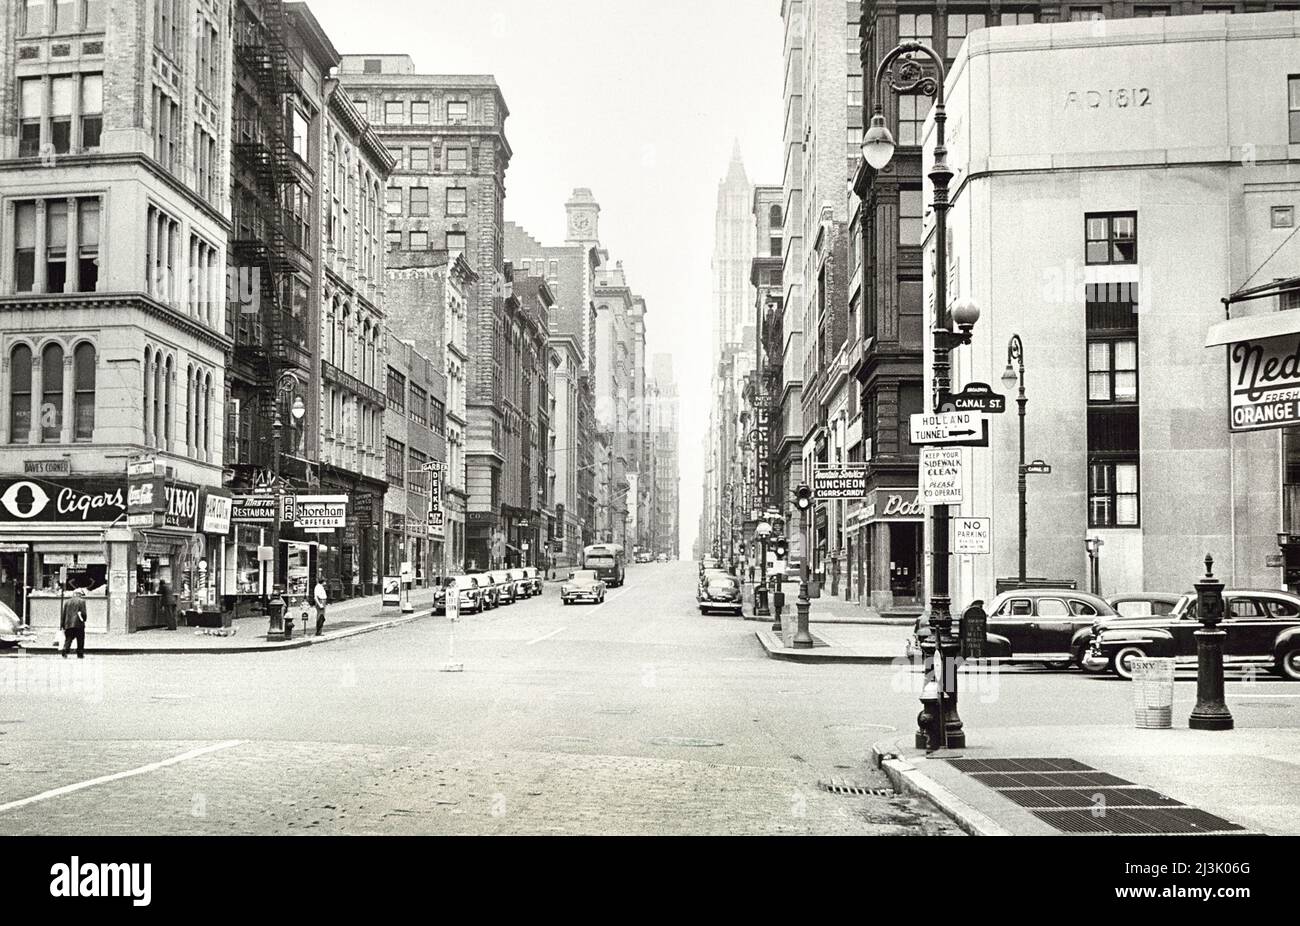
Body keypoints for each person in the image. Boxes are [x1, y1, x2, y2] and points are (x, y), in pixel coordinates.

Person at [61, 587, 87, 659]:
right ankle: (80, 653)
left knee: (68, 638)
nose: (81, 596)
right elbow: (83, 613)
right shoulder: (82, 601)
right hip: (78, 624)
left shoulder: (67, 602)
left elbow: (64, 614)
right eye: (81, 595)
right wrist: (84, 620)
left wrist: (62, 624)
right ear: (79, 594)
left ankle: (65, 650)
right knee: (80, 639)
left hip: (68, 624)